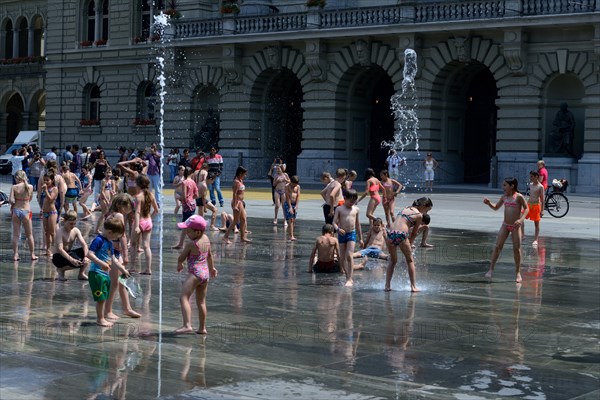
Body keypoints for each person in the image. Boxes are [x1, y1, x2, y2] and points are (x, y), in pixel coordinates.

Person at [175, 215, 218, 334]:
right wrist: (212, 268)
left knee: (184, 297)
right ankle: (202, 328)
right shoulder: (206, 239)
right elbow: (209, 256)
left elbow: (181, 257)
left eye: (188, 231)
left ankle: (187, 325)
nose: (187, 233)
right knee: (201, 302)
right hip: (205, 274)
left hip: (195, 273)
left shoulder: (191, 244)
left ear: (197, 232)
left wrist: (179, 264)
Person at [86, 217, 130, 327]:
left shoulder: (109, 242)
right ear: (110, 232)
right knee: (101, 298)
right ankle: (100, 319)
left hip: (104, 274)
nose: (115, 239)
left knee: (104, 296)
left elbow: (114, 259)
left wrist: (122, 269)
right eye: (115, 237)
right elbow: (89, 254)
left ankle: (102, 317)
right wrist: (101, 263)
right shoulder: (98, 240)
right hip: (96, 273)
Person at [483, 177, 529, 283]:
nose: (503, 187)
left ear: (512, 186)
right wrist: (489, 203)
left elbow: (526, 208)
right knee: (498, 246)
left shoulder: (519, 197)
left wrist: (521, 219)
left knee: (516, 249)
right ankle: (490, 270)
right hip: (505, 225)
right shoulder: (504, 197)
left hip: (515, 226)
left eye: (505, 185)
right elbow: (496, 207)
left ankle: (518, 273)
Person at [103, 193, 141, 320]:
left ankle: (127, 308)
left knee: (121, 281)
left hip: (112, 251)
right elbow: (123, 236)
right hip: (114, 252)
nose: (130, 209)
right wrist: (126, 254)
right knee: (114, 283)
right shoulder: (119, 215)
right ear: (120, 205)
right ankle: (107, 311)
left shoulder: (111, 214)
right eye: (129, 206)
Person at [385, 197, 432, 292]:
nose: (426, 213)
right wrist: (410, 243)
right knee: (410, 260)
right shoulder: (419, 215)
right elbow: (414, 233)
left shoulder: (405, 208)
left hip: (390, 234)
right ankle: (413, 286)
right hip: (401, 234)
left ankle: (387, 286)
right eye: (427, 210)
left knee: (393, 261)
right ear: (423, 206)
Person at [332, 189, 363, 287]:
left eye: (354, 201)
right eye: (350, 201)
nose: (352, 203)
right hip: (341, 234)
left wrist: (361, 238)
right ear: (344, 198)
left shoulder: (356, 209)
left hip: (351, 233)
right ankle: (347, 276)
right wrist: (337, 229)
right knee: (342, 257)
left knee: (349, 255)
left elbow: (358, 224)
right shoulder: (339, 209)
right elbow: (333, 222)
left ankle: (350, 278)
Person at [130, 175, 159, 274]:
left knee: (133, 245)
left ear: (138, 185)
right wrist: (150, 218)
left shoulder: (138, 197)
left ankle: (133, 267)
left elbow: (137, 212)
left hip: (139, 222)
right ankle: (148, 269)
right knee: (147, 246)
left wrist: (137, 226)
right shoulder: (151, 195)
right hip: (148, 221)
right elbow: (156, 210)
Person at [9, 170, 38, 261]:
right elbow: (30, 199)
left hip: (16, 211)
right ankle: (32, 254)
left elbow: (10, 200)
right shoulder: (30, 187)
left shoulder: (14, 187)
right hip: (26, 211)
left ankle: (15, 255)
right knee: (29, 234)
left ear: (17, 178)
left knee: (16, 235)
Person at [52, 210, 88, 280]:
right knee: (77, 261)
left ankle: (81, 274)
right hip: (58, 256)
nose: (73, 226)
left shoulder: (76, 230)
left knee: (85, 253)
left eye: (74, 223)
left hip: (69, 252)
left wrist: (86, 256)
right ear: (64, 221)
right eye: (71, 224)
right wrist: (72, 260)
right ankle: (61, 269)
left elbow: (84, 244)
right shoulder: (60, 231)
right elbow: (60, 249)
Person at [223, 166, 251, 244]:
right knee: (235, 221)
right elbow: (234, 194)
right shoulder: (236, 182)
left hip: (240, 202)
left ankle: (242, 238)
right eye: (244, 174)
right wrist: (235, 205)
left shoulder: (240, 180)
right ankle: (225, 237)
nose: (245, 176)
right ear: (240, 173)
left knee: (243, 220)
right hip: (237, 202)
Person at [172, 167, 199, 249]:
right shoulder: (193, 182)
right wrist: (191, 197)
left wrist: (180, 199)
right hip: (193, 205)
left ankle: (193, 242)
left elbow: (183, 196)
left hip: (187, 206)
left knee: (186, 225)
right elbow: (196, 195)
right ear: (191, 174)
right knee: (188, 224)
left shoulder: (184, 182)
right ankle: (184, 243)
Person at [40, 171, 59, 257]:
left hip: (52, 212)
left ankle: (56, 249)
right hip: (45, 212)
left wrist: (46, 190)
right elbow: (43, 200)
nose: (46, 182)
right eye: (44, 180)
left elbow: (50, 199)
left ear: (52, 180)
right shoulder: (45, 188)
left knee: (52, 232)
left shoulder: (54, 189)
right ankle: (48, 250)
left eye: (47, 180)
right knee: (46, 232)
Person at [524, 170, 544, 247]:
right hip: (529, 204)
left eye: (532, 176)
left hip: (536, 205)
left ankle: (536, 239)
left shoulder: (540, 186)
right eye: (530, 176)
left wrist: (542, 210)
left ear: (536, 177)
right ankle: (522, 234)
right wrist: (525, 205)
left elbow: (542, 199)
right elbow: (529, 195)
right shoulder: (531, 185)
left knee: (536, 223)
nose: (530, 178)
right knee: (521, 217)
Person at [284, 175, 300, 241]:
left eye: (296, 184)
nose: (294, 186)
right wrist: (290, 207)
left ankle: (289, 234)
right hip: (288, 204)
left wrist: (296, 205)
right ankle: (291, 236)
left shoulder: (298, 187)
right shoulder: (287, 186)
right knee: (290, 219)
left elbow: (298, 196)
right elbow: (287, 197)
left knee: (293, 220)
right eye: (294, 184)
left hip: (294, 204)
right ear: (291, 182)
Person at [145, 144, 162, 208]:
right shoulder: (149, 155)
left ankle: (158, 202)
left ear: (156, 147)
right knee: (149, 188)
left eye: (154, 147)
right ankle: (149, 201)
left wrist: (154, 153)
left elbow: (160, 156)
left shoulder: (158, 153)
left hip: (156, 174)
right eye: (152, 147)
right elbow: (145, 160)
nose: (153, 148)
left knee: (157, 188)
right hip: (149, 173)